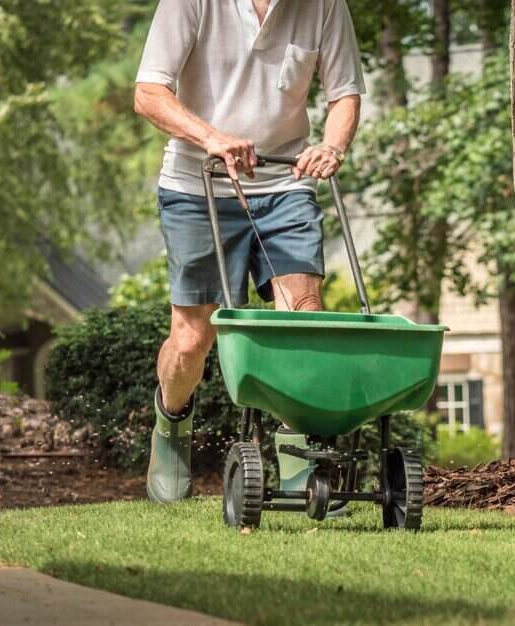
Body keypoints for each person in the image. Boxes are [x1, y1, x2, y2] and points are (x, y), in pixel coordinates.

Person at [134, 0, 364, 502]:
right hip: (198, 185)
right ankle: (171, 423)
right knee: (192, 338)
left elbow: (345, 93)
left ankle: (298, 452)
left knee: (301, 321)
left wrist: (332, 146)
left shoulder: (324, 5)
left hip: (286, 183)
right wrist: (212, 137)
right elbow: (149, 94)